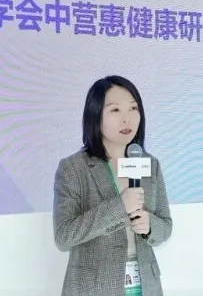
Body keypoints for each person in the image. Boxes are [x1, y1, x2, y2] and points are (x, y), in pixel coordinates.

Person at [53, 76, 173, 296]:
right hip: (94, 288)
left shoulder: (150, 164)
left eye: (133, 108)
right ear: (95, 115)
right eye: (115, 110)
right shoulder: (73, 168)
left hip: (146, 285)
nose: (127, 119)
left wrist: (150, 225)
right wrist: (120, 206)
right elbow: (64, 236)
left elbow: (166, 225)